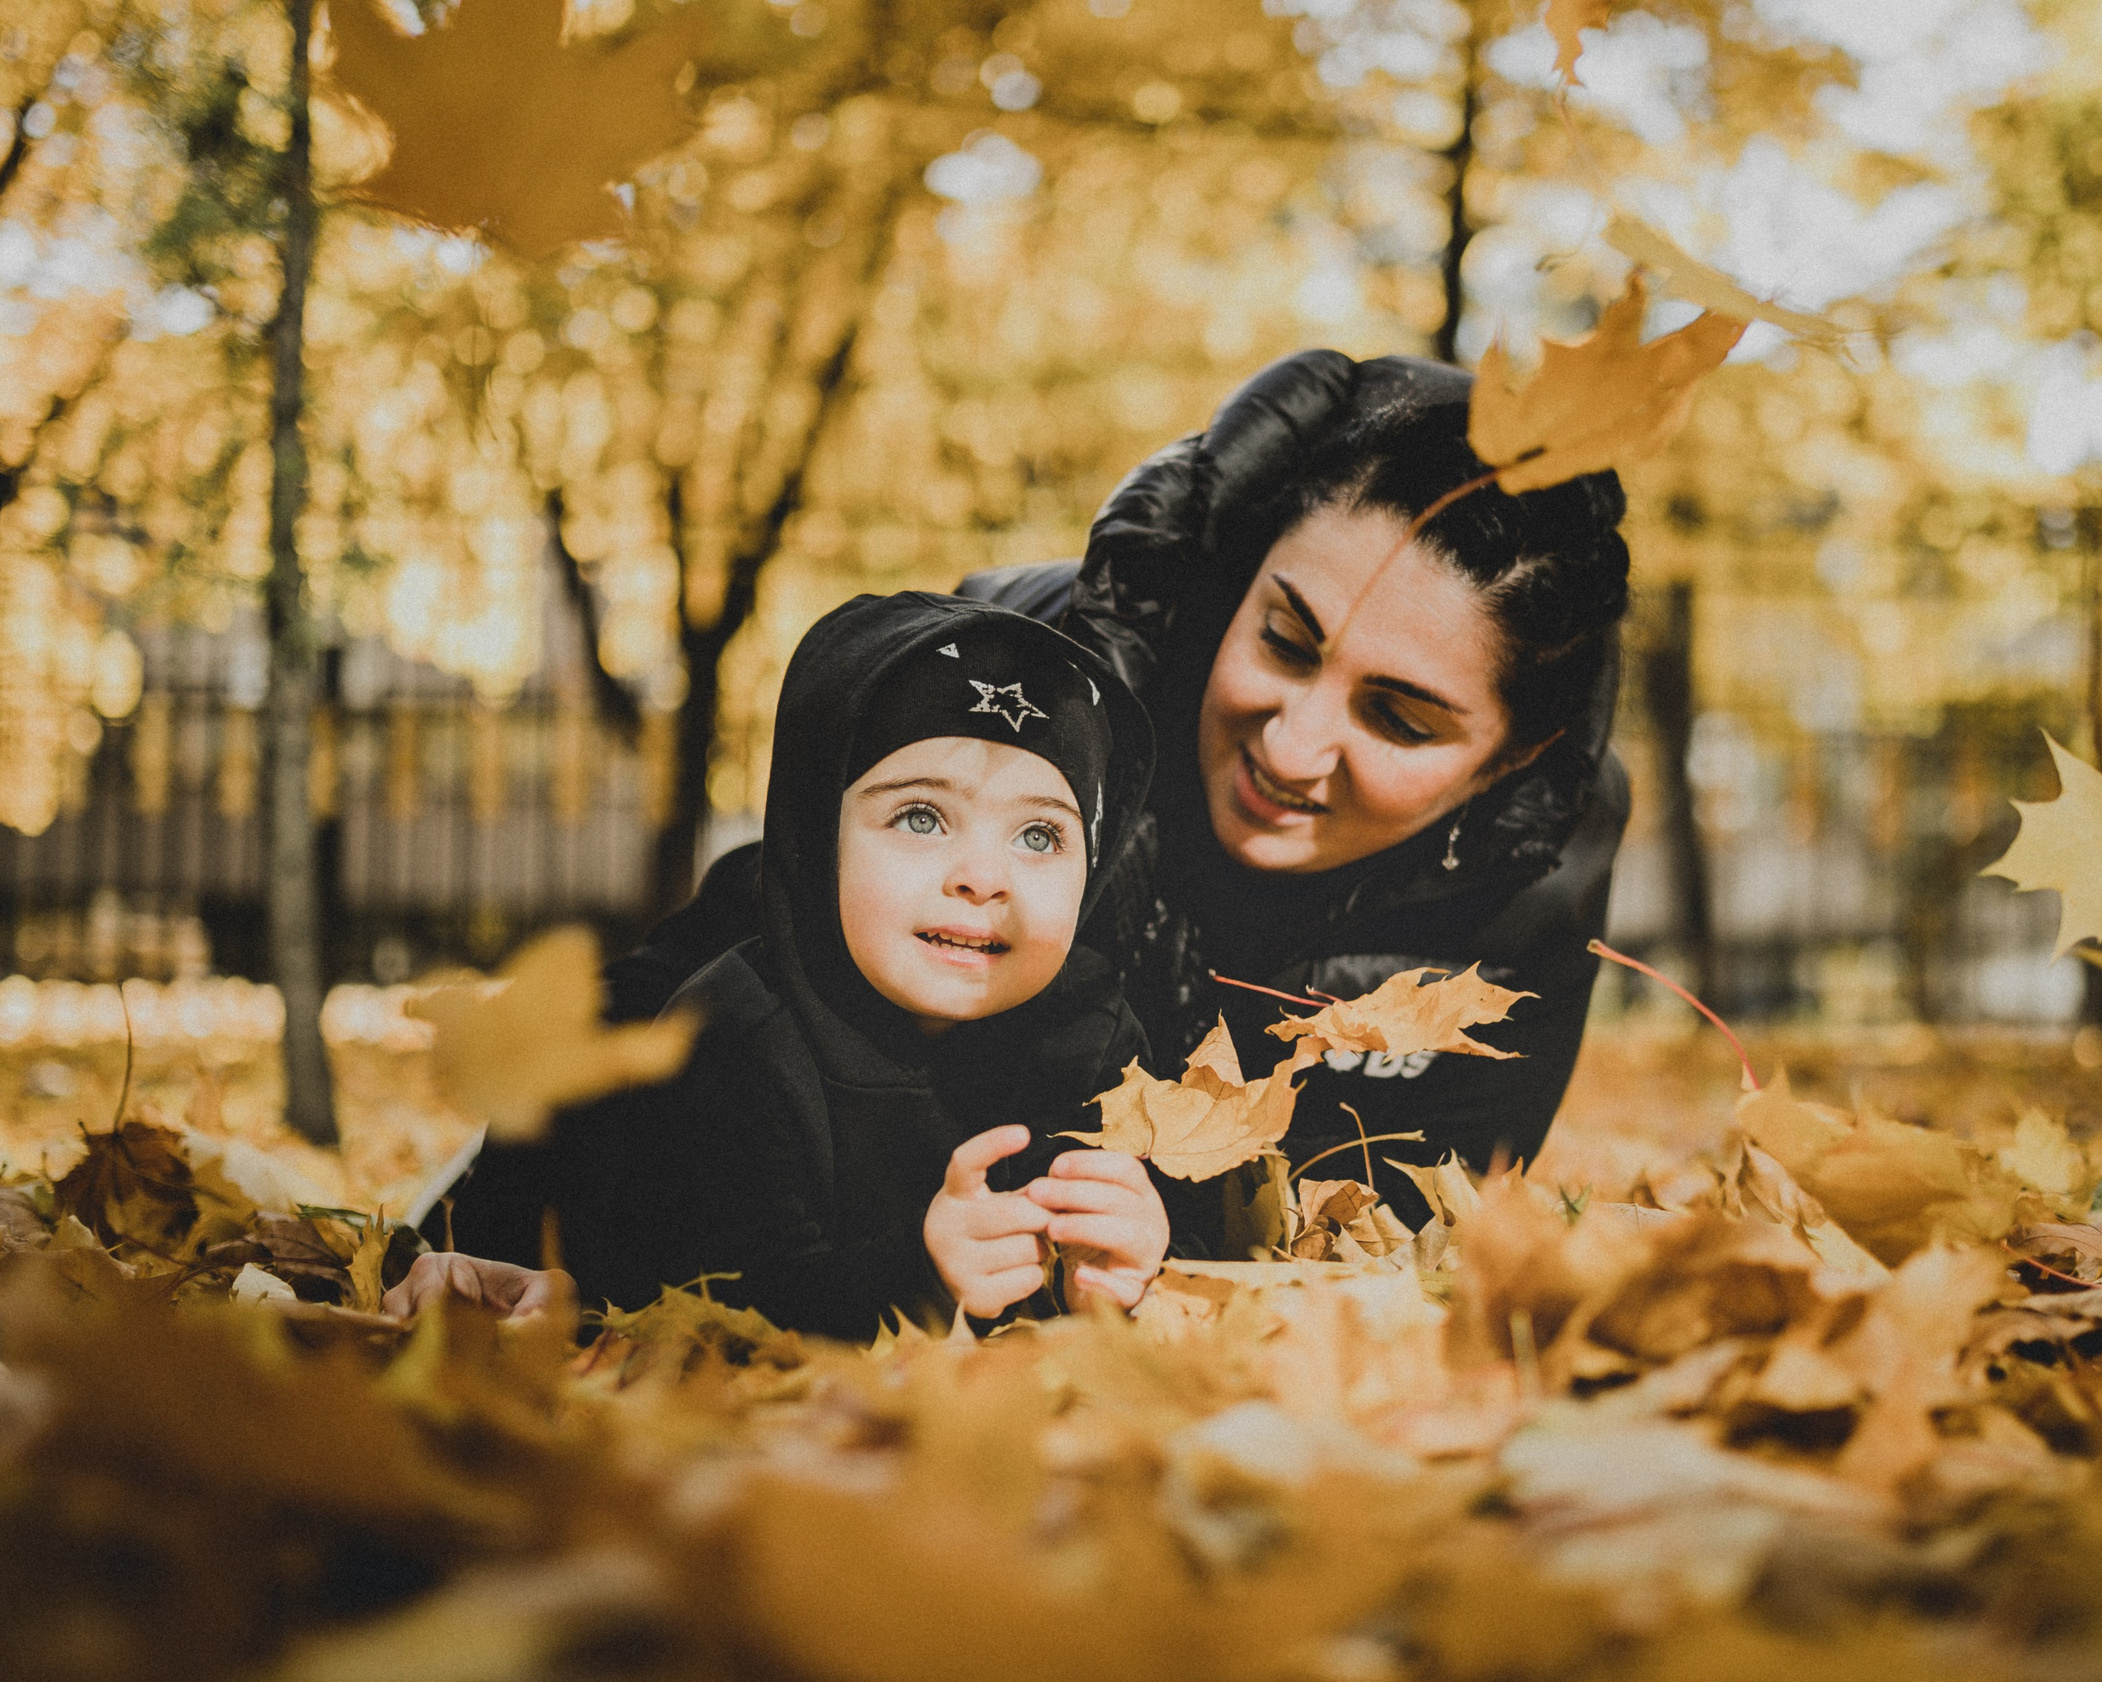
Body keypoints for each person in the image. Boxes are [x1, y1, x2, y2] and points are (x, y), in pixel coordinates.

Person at [446, 348, 1630, 1270]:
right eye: (1283, 639)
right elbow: (728, 963)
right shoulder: (1037, 678)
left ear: (1511, 759)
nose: (1291, 743)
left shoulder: (1537, 866)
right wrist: (486, 1238)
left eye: (1399, 720)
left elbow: (1411, 1220)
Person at [393, 592, 1168, 1337]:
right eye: (921, 817)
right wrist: (922, 1278)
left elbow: (1160, 1249)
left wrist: (1124, 1266)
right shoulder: (739, 1032)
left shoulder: (1091, 1029)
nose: (982, 876)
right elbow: (724, 1302)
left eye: (1039, 836)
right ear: (820, 840)